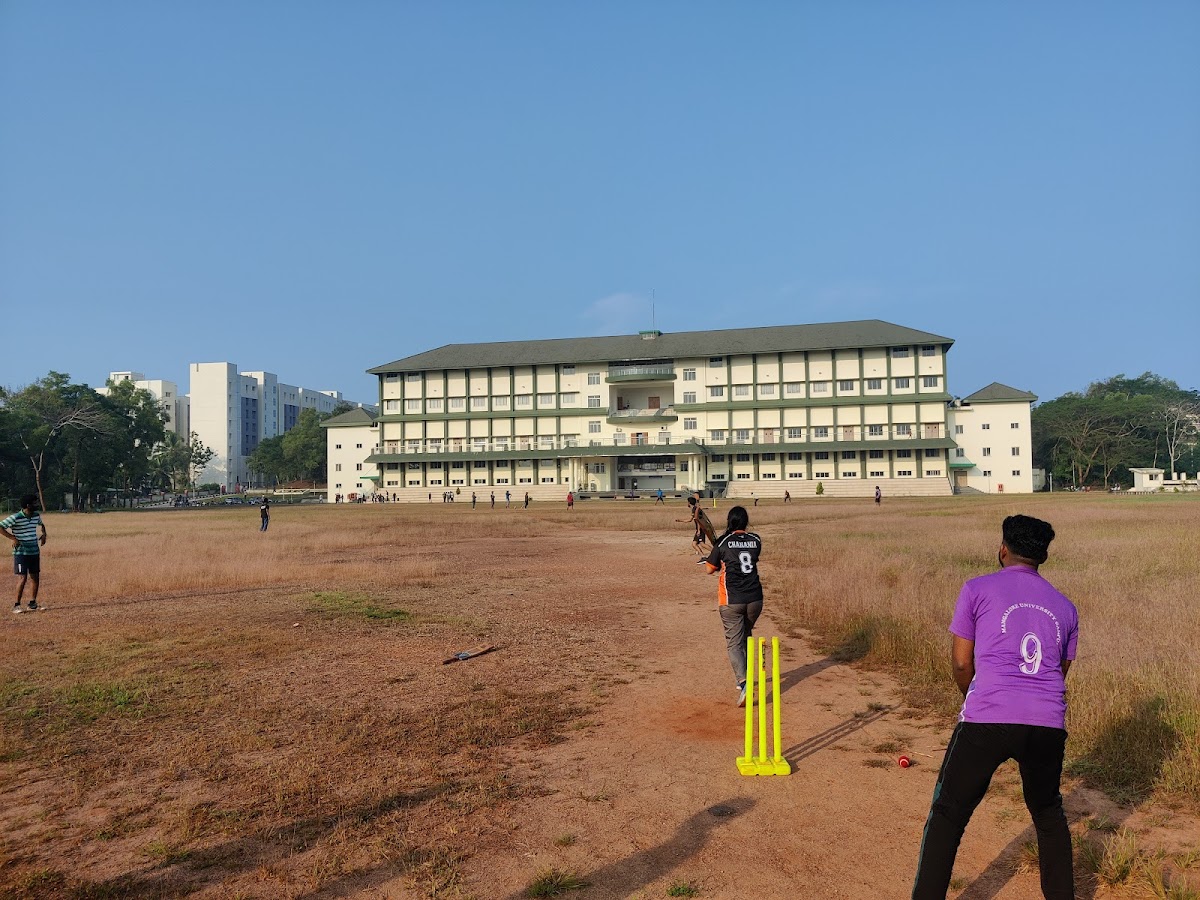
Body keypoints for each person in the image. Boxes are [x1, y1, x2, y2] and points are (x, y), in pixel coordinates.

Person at [912, 515, 1078, 900]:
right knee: (1049, 814)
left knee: (948, 813)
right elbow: (1059, 670)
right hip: (1047, 723)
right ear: (1043, 558)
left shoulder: (976, 589)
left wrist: (974, 697)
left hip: (987, 717)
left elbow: (960, 663)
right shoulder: (1067, 608)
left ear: (1003, 549)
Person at [702, 505, 762, 707]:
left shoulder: (723, 542)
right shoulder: (756, 540)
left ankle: (744, 682)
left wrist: (718, 558)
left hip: (731, 600)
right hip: (755, 599)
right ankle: (748, 675)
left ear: (730, 521)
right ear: (745, 521)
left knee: (734, 642)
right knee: (746, 636)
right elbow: (747, 558)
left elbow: (710, 569)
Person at [1, 494, 47, 613]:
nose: (37, 505)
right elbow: (0, 526)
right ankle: (16, 605)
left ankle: (32, 603)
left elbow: (41, 524)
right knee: (22, 578)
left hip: (34, 552)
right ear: (28, 505)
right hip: (21, 552)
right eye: (35, 503)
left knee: (35, 577)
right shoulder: (16, 517)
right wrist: (13, 538)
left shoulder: (36, 516)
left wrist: (44, 534)